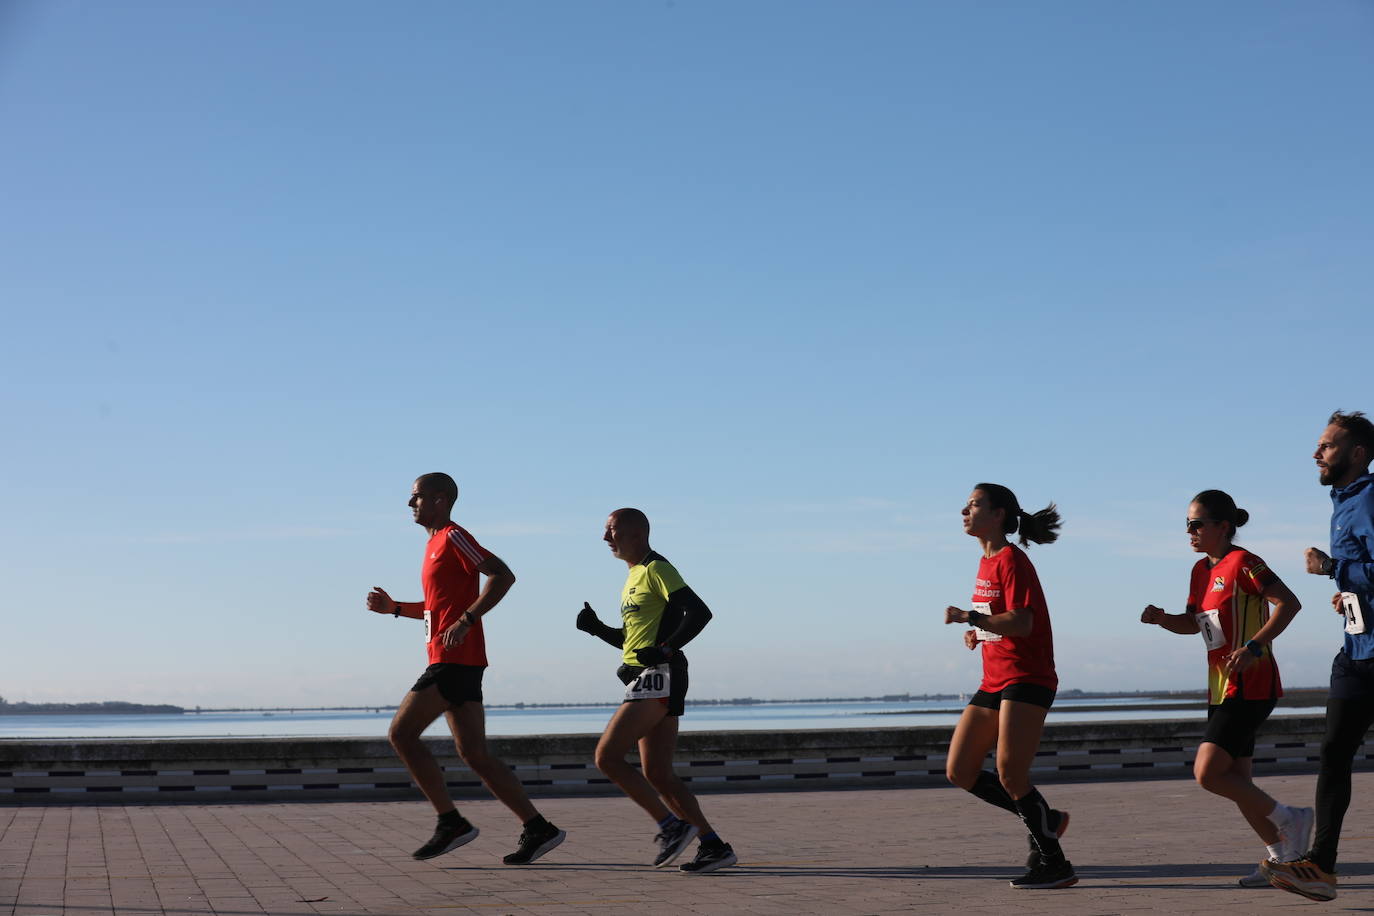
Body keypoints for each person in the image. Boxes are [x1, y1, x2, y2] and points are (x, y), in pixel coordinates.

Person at [365, 473, 565, 865]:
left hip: (453, 661)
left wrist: (467, 620)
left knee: (401, 734)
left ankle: (451, 822)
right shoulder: (433, 545)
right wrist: (394, 610)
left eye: (416, 497)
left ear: (439, 499)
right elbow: (433, 611)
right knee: (474, 753)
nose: (410, 504)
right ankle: (539, 827)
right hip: (460, 661)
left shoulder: (454, 536)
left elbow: (502, 575)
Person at [1139, 489, 1309, 888]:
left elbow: (1289, 603)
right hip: (1220, 688)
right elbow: (1192, 623)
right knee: (1238, 781)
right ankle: (1285, 858)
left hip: (1252, 683)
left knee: (1208, 773)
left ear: (1223, 526)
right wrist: (1163, 619)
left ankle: (1292, 819)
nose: (1189, 532)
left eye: (1196, 524)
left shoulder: (1245, 563)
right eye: (1187, 525)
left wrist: (1254, 645)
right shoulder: (1200, 571)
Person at [574, 507, 737, 874]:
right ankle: (713, 846)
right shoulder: (633, 576)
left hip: (660, 674)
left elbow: (699, 612)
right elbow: (634, 642)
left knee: (607, 757)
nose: (605, 538)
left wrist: (665, 650)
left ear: (636, 533)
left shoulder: (657, 568)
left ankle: (671, 825)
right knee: (659, 774)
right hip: (648, 673)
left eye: (611, 530)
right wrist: (597, 628)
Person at [943, 483, 1076, 890]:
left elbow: (1023, 621)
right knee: (960, 770)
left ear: (998, 514)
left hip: (1027, 677)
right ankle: (1047, 821)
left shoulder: (1012, 560)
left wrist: (972, 618)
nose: (964, 511)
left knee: (1010, 773)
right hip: (995, 678)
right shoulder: (986, 563)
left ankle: (1055, 863)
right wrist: (979, 633)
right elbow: (998, 621)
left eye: (974, 505)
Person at [1265, 410, 1374, 902]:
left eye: (1327, 446)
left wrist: (1333, 568)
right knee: (1333, 755)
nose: (1316, 454)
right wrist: (1348, 593)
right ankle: (1322, 869)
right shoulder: (1343, 500)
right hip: (1356, 651)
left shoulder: (1370, 497)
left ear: (1357, 453)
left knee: (1336, 756)